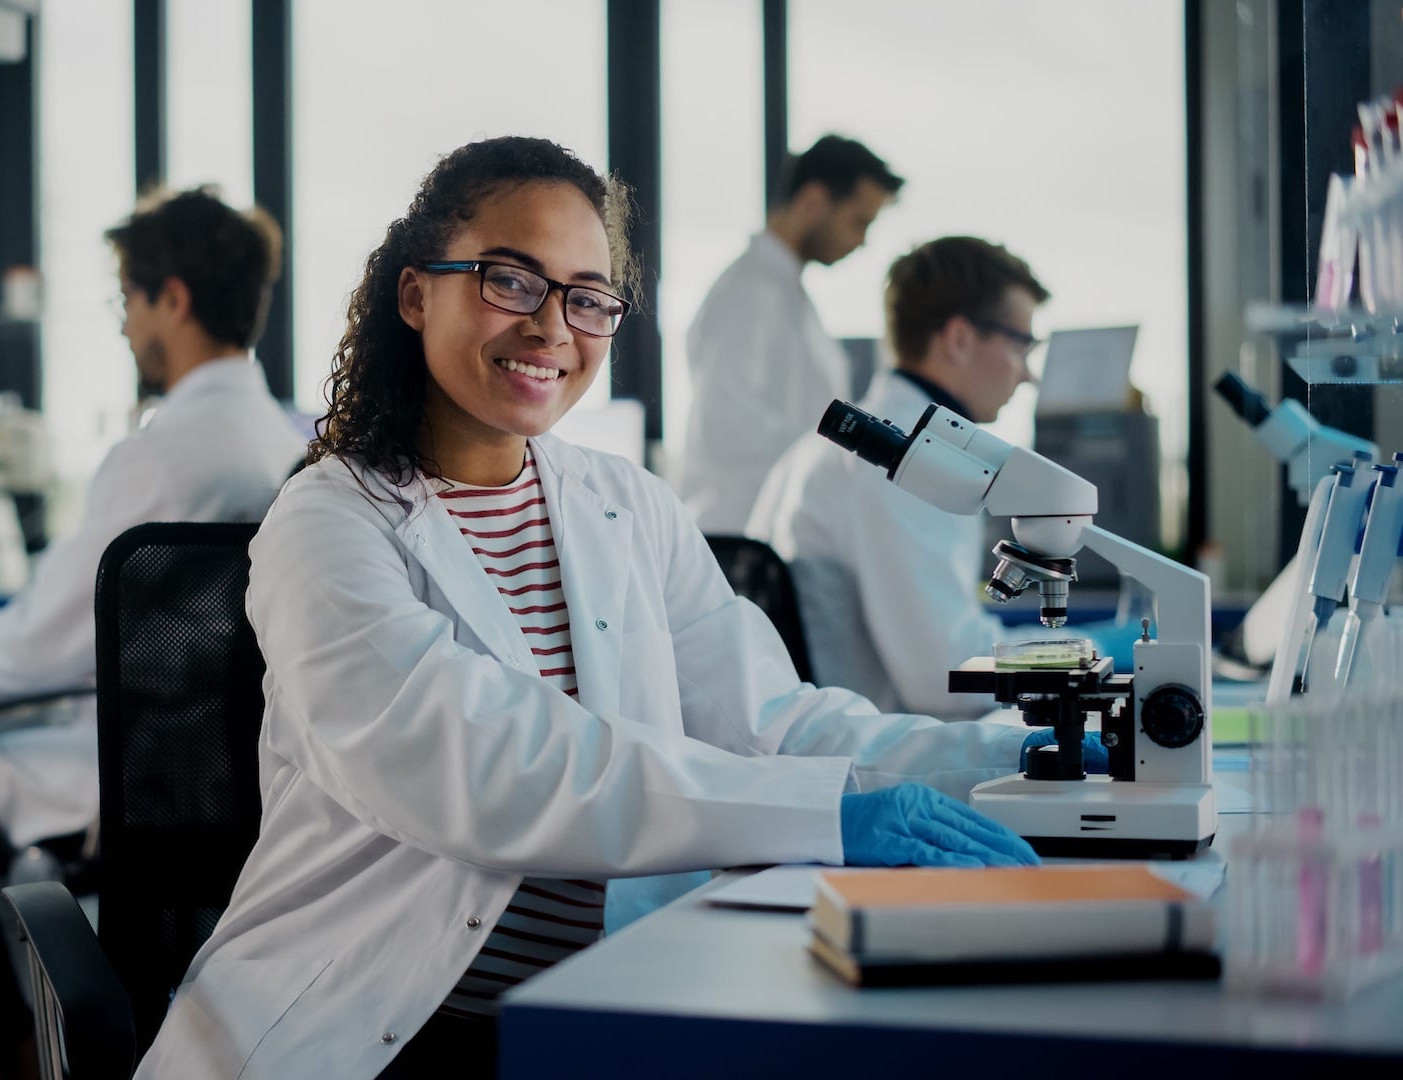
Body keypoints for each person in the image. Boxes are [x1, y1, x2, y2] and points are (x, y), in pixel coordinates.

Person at [135, 137, 1060, 1080]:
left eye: (587, 296)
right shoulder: (324, 524)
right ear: (415, 295)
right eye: (510, 280)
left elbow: (773, 722)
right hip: (378, 1026)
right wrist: (834, 809)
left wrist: (1011, 755)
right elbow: (494, 767)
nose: (551, 327)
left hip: (614, 997)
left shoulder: (628, 502)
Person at [0, 187, 306, 1080]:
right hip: (221, 769)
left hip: (133, 774)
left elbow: (41, 650)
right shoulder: (272, 431)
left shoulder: (163, 447)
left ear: (170, 299)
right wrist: (7, 620)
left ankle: (20, 1060)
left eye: (128, 303)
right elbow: (115, 610)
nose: (126, 328)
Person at [748, 236, 1130, 718]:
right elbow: (948, 676)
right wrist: (1092, 649)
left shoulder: (824, 450)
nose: (1027, 375)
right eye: (1021, 346)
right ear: (959, 339)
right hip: (886, 753)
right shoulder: (910, 465)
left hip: (853, 739)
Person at [676, 134, 904, 533]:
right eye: (858, 221)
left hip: (770, 530)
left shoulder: (785, 295)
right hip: (739, 537)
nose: (862, 241)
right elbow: (726, 424)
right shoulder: (748, 293)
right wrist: (848, 454)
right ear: (815, 200)